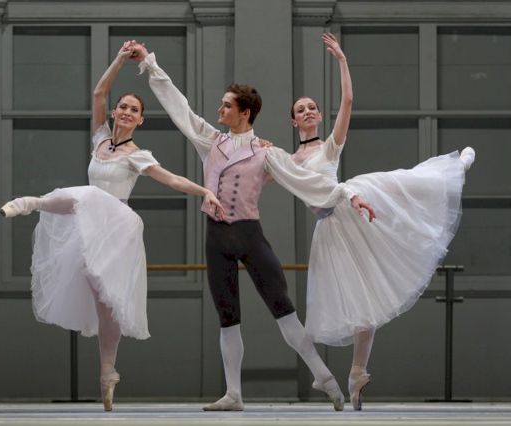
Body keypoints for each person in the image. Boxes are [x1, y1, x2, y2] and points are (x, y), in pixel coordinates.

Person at [127, 40, 375, 411]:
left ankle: (324, 377)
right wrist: (149, 62)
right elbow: (178, 105)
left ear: (244, 113)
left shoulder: (267, 152)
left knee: (283, 310)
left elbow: (307, 181)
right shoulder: (211, 141)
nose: (220, 109)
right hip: (216, 238)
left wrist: (349, 194)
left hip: (250, 236)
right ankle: (234, 394)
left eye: (227, 105)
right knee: (228, 318)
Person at [0, 41, 225, 412]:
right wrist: (120, 59)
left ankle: (108, 371)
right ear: (116, 112)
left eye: (134, 110)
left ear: (141, 120)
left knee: (109, 304)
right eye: (123, 107)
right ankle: (33, 203)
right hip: (88, 222)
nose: (126, 112)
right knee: (86, 202)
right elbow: (99, 93)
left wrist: (204, 191)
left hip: (115, 228)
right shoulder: (100, 140)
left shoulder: (138, 156)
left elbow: (171, 179)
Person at [289, 33, 476, 410]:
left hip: (352, 210)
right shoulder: (290, 161)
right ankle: (356, 374)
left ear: (319, 116)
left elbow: (348, 101)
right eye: (301, 109)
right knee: (362, 299)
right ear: (294, 121)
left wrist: (342, 61)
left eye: (312, 107)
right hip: (330, 229)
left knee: (400, 182)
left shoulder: (330, 146)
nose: (308, 111)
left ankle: (451, 171)